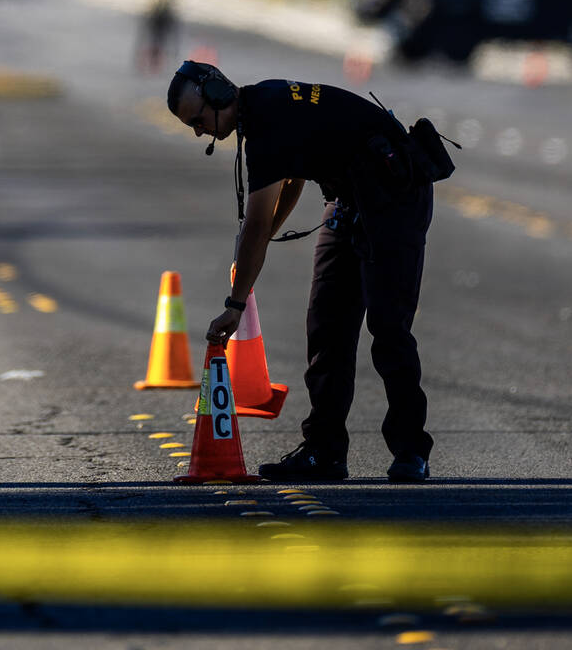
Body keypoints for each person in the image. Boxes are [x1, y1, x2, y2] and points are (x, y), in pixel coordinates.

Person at [166, 60, 436, 483]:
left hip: (394, 195)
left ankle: (411, 450)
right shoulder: (262, 106)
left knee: (388, 328)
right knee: (326, 328)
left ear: (219, 95)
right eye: (192, 127)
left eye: (199, 119)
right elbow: (291, 180)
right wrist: (261, 245)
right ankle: (324, 452)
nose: (200, 131)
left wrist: (235, 304)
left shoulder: (267, 122)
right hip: (349, 199)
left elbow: (253, 225)